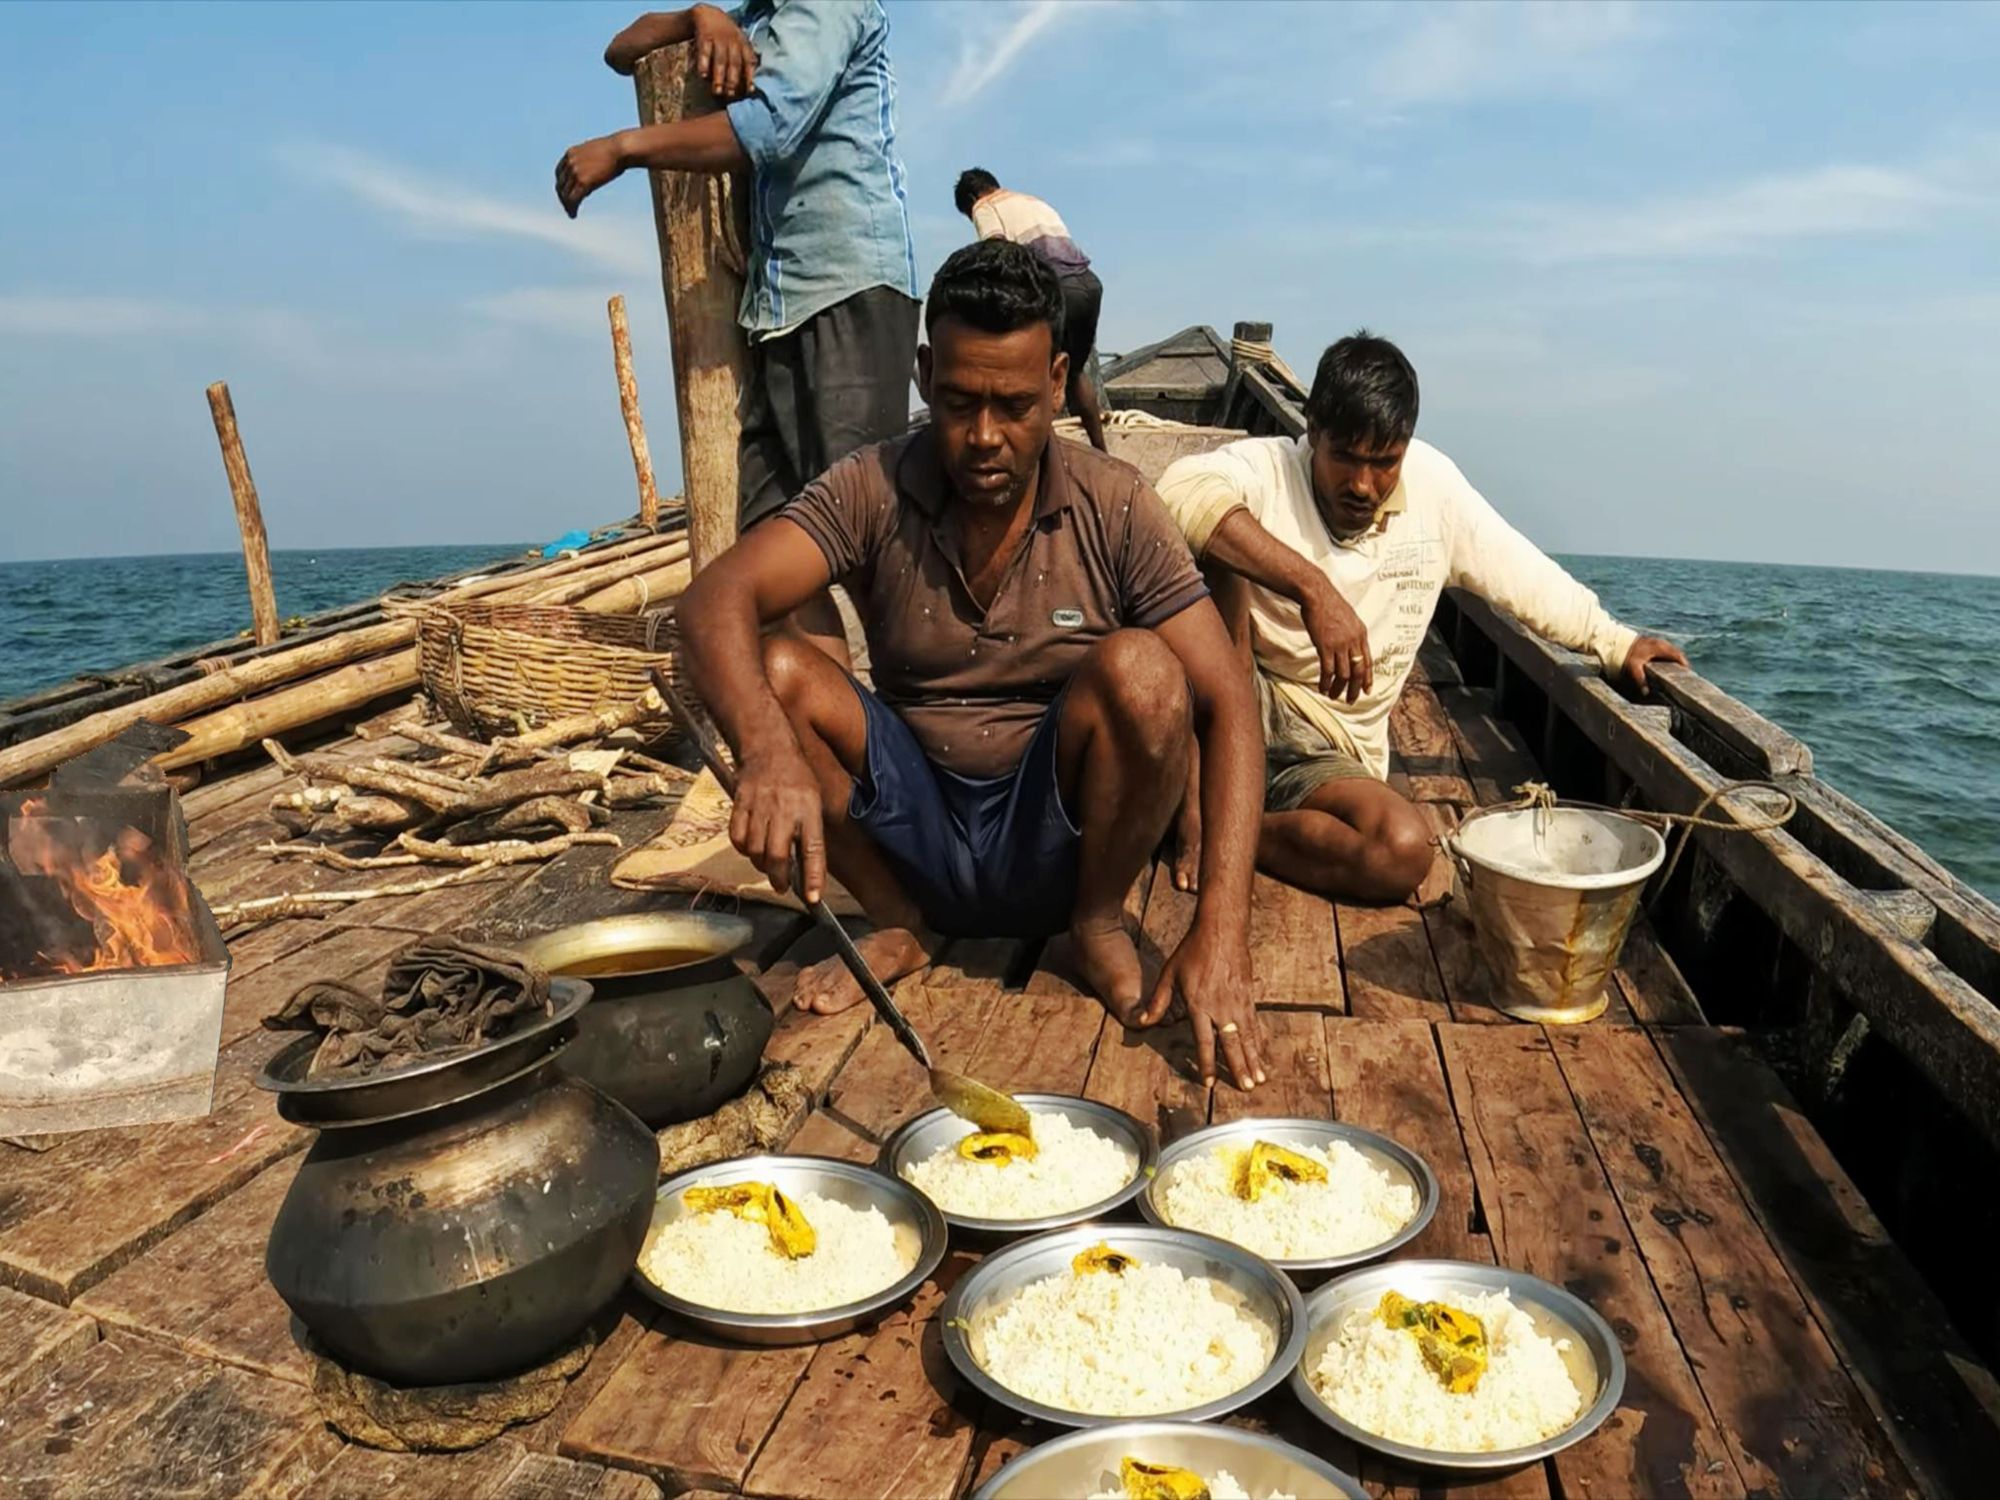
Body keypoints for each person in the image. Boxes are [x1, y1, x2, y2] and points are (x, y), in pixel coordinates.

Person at [676, 240, 1270, 1091]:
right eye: (958, 403)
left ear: (1059, 383)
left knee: (1146, 673)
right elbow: (712, 603)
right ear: (924, 374)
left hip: (1060, 842)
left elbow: (1230, 705)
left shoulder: (1118, 505)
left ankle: (1097, 928)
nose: (985, 436)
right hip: (913, 824)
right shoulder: (870, 485)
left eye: (1015, 405)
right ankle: (898, 922)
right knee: (774, 673)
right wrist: (768, 752)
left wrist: (1223, 931)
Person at [1158, 331, 1688, 905]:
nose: (1362, 485)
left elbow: (1522, 574)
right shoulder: (1269, 468)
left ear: (1406, 446)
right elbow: (1176, 492)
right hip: (1232, 706)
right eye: (1345, 459)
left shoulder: (1436, 492)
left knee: (1402, 850)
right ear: (1312, 433)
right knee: (1217, 554)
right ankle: (1195, 807)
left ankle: (1235, 832)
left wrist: (1613, 641)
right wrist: (1315, 590)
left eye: (1384, 463)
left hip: (1332, 750)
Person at [556, 2, 921, 654]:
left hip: (846, 286)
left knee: (868, 540)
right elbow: (622, 49)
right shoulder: (753, 16)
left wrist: (624, 147)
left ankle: (933, 726)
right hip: (778, 308)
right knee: (770, 556)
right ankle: (833, 735)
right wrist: (698, 16)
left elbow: (769, 127)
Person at [955, 168, 1107, 455]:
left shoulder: (985, 206)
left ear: (972, 197)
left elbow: (996, 251)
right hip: (1088, 285)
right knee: (1072, 373)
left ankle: (1040, 457)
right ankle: (1102, 452)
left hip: (1059, 289)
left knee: (1036, 373)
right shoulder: (1034, 202)